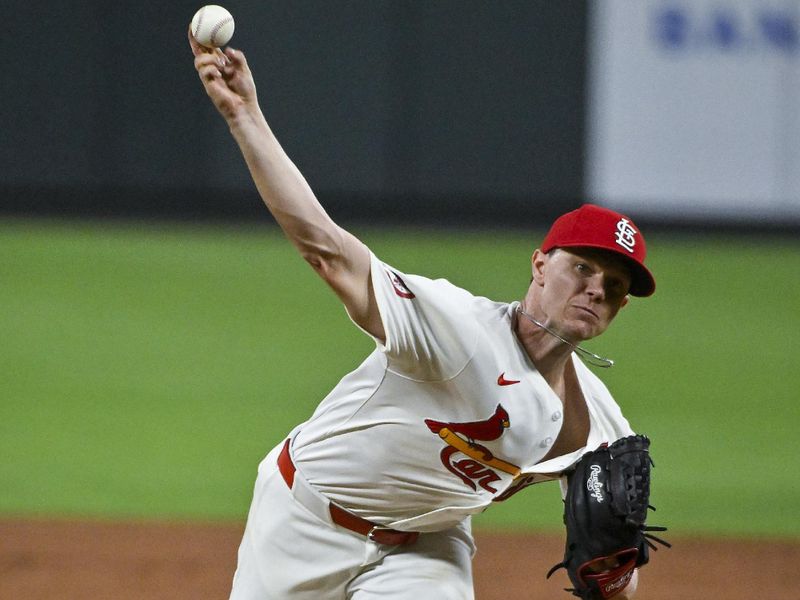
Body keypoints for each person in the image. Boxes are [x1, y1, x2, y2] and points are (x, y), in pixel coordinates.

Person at [189, 31, 656, 600]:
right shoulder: (454, 329)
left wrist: (617, 581)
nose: (595, 290)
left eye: (613, 285)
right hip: (302, 519)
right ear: (539, 264)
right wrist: (245, 116)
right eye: (581, 269)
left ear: (622, 305)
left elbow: (616, 573)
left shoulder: (597, 428)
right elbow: (327, 250)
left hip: (426, 550)